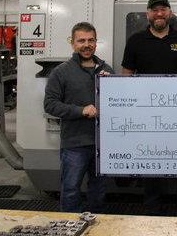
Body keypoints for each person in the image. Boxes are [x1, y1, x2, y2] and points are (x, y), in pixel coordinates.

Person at [121, 0, 177, 216]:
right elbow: (125, 80)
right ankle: (151, 215)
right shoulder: (136, 41)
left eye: (163, 9)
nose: (159, 13)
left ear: (170, 13)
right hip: (148, 120)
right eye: (154, 10)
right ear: (148, 14)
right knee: (151, 167)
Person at [44, 22, 114, 213]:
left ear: (96, 42)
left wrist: (112, 85)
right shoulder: (61, 72)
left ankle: (97, 226)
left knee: (98, 191)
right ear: (72, 43)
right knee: (70, 190)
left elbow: (118, 105)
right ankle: (69, 227)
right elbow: (50, 104)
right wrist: (81, 110)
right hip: (74, 144)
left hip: (101, 145)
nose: (87, 44)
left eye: (91, 40)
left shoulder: (107, 70)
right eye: (81, 40)